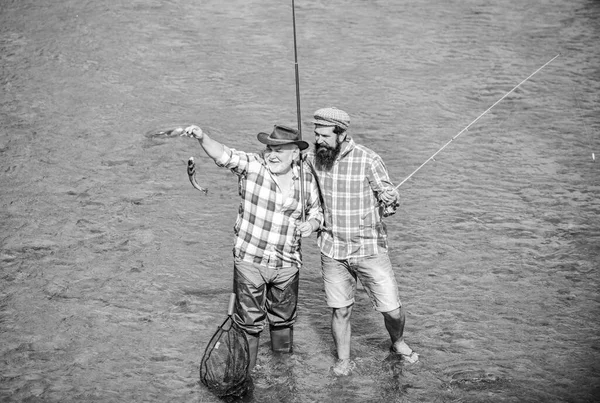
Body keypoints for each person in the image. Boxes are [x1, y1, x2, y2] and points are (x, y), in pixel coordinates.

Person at [183, 124, 323, 371]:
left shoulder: (306, 179)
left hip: (287, 264)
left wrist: (311, 225)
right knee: (249, 324)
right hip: (250, 260)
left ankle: (282, 372)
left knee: (283, 322)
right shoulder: (253, 166)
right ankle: (246, 374)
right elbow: (222, 154)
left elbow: (317, 213)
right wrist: (203, 136)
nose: (272, 154)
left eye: (280, 149)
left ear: (295, 153)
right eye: (269, 147)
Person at [305, 107, 419, 376]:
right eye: (316, 134)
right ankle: (344, 360)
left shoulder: (369, 160)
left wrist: (391, 200)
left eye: (324, 135)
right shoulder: (312, 158)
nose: (318, 140)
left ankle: (398, 343)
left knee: (391, 309)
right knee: (340, 310)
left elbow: (388, 198)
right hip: (332, 249)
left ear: (342, 134)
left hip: (369, 248)